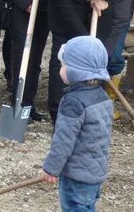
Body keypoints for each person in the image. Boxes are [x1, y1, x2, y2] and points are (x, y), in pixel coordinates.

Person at [41, 36, 113, 212]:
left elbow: (63, 140)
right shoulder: (102, 96)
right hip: (95, 172)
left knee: (75, 207)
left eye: (64, 65)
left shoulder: (73, 102)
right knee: (86, 206)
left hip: (76, 176)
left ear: (77, 71)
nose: (61, 69)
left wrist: (51, 168)